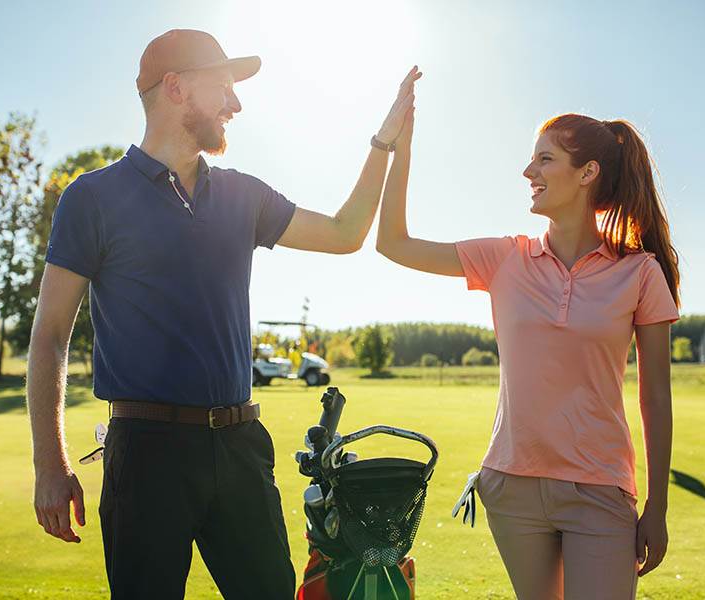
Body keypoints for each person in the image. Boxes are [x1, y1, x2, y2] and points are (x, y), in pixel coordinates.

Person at [26, 29, 419, 599]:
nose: (236, 105)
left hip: (241, 447)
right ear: (177, 87)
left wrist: (382, 141)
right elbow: (50, 337)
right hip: (145, 453)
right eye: (224, 90)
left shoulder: (244, 195)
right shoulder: (92, 198)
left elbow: (344, 233)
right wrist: (50, 463)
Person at [376, 93, 679, 599]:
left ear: (587, 173)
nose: (527, 171)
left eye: (544, 159)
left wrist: (658, 508)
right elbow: (393, 243)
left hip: (599, 490)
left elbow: (656, 399)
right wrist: (397, 148)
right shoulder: (504, 258)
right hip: (511, 487)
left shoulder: (640, 273)